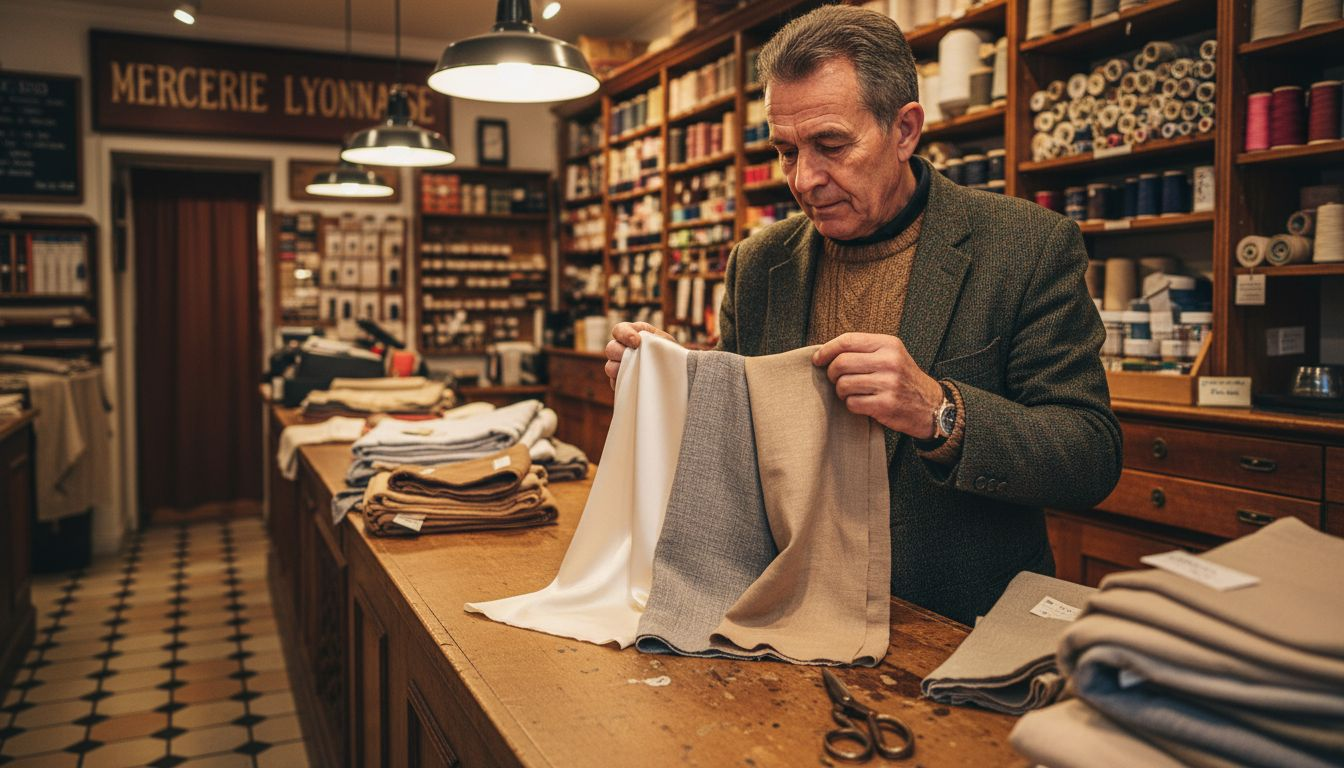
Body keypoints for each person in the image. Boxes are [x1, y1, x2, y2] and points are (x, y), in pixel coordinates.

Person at [603, 5, 1121, 625]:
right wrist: (672, 384)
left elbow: (1090, 456)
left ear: (904, 130)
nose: (804, 180)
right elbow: (739, 446)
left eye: (830, 146)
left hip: (953, 619)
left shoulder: (1026, 246)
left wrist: (940, 413)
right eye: (786, 151)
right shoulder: (758, 264)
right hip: (784, 609)